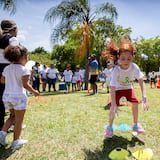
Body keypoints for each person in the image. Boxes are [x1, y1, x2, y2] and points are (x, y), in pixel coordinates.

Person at [104, 38, 149, 138]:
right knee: (112, 108)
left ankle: (135, 125)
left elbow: (141, 81)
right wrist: (114, 104)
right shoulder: (116, 69)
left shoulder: (134, 67)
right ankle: (110, 128)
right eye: (123, 58)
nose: (126, 61)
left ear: (133, 57)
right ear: (119, 57)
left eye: (129, 58)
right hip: (117, 89)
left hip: (129, 88)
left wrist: (144, 97)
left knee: (135, 102)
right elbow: (112, 87)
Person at [0, 45, 39, 149]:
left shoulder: (7, 68)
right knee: (19, 120)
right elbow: (25, 85)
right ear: (22, 57)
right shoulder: (24, 70)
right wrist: (35, 92)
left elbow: (2, 81)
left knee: (12, 117)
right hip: (18, 97)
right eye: (27, 57)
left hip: (7, 96)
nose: (27, 59)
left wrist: (11, 79)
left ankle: (2, 134)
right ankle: (16, 141)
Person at [0, 19, 19, 130]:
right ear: (14, 29)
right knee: (14, 97)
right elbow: (16, 53)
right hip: (8, 69)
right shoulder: (12, 39)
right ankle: (14, 123)